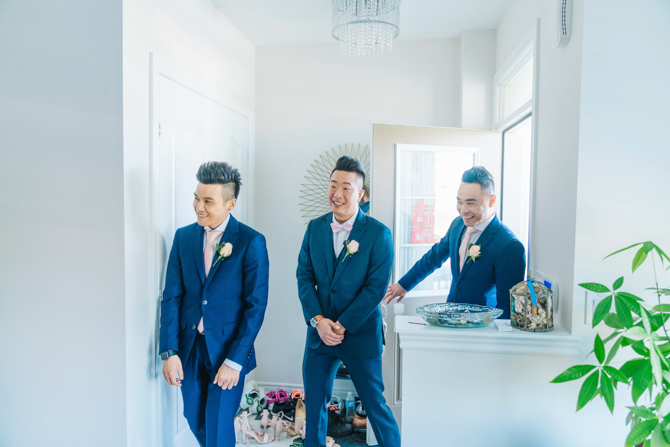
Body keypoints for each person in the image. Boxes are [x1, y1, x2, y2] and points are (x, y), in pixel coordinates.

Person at [159, 161, 269, 447]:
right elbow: (171, 296)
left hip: (228, 351)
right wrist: (169, 351)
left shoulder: (251, 242)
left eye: (208, 201)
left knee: (218, 426)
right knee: (194, 418)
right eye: (196, 198)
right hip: (189, 347)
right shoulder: (183, 237)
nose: (199, 207)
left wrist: (234, 361)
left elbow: (255, 307)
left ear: (230, 203)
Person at [297, 156, 400, 447]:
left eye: (346, 187)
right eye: (333, 185)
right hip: (319, 334)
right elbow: (304, 277)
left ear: (360, 194)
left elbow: (375, 288)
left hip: (360, 333)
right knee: (314, 404)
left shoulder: (379, 233)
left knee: (375, 405)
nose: (337, 193)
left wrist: (341, 325)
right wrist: (318, 321)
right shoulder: (315, 228)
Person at [384, 166, 525, 318]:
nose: (463, 210)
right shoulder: (458, 225)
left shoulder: (509, 246)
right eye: (459, 202)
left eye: (470, 203)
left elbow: (507, 308)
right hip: (450, 317)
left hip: (482, 326)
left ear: (491, 201)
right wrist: (404, 284)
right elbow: (434, 257)